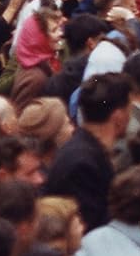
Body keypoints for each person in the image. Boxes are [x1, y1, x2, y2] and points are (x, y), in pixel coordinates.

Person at [43, 72, 132, 231]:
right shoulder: (82, 164)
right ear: (118, 117)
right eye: (129, 109)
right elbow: (91, 227)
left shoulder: (86, 151)